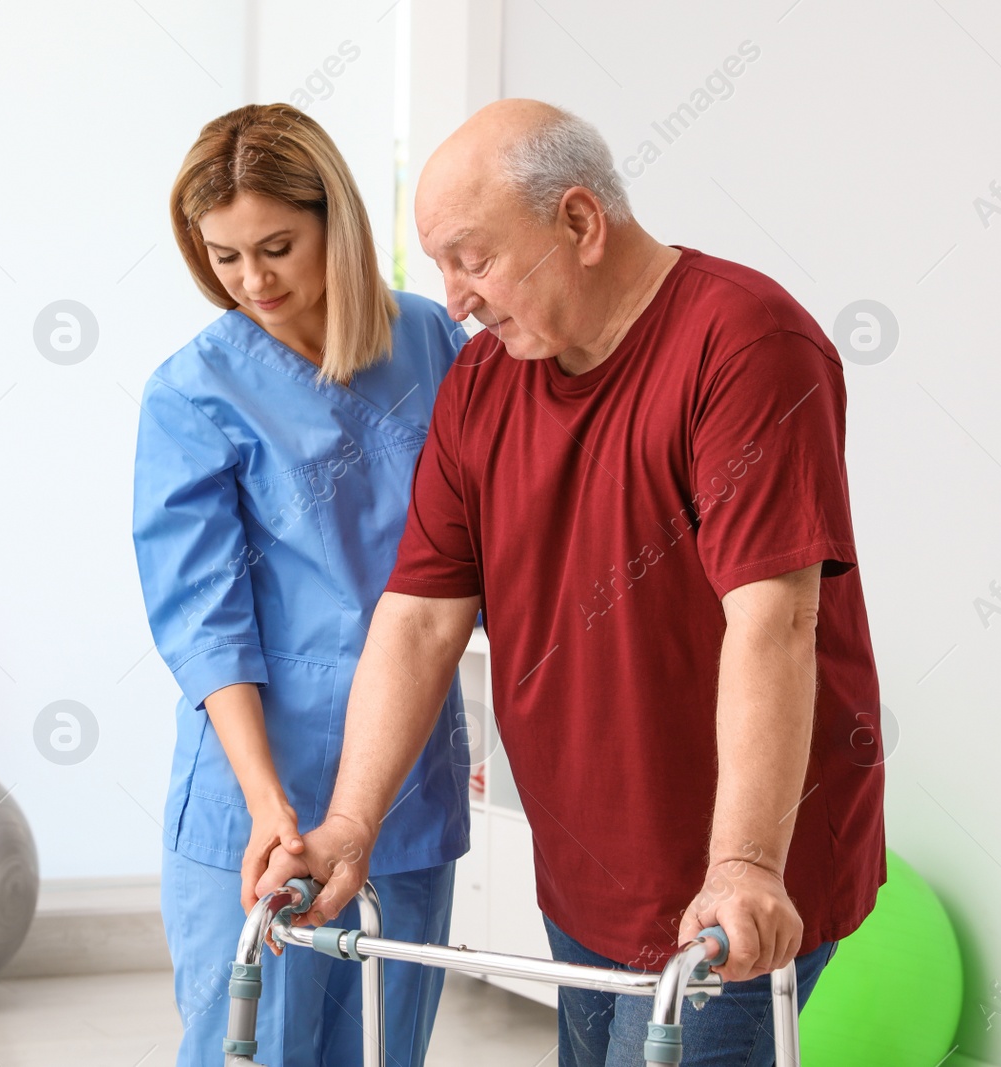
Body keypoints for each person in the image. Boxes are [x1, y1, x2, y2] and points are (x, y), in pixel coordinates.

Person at [258, 99, 887, 1067]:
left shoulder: (746, 345)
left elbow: (773, 619)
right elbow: (422, 616)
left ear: (581, 223)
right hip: (588, 859)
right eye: (440, 267)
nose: (454, 298)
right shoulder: (485, 382)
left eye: (473, 257)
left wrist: (745, 864)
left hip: (729, 882)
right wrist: (349, 823)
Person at [131, 103, 470, 1066]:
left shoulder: (436, 345)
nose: (252, 281)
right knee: (257, 1046)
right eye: (224, 257)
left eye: (277, 245)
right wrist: (270, 803)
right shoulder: (196, 391)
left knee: (383, 1048)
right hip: (257, 789)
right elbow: (205, 622)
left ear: (338, 221)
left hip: (404, 783)